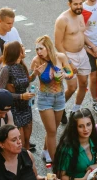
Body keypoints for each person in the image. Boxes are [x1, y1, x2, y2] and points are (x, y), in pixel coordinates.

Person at [31, 35, 74, 165]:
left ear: (48, 47)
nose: (38, 52)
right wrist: (35, 74)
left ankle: (46, 150)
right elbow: (29, 79)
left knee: (53, 128)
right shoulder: (36, 60)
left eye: (41, 48)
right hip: (45, 98)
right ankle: (55, 162)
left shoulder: (60, 57)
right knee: (52, 131)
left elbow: (71, 73)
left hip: (59, 97)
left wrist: (65, 75)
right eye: (37, 49)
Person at [55, 0, 95, 112]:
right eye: (75, 4)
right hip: (68, 56)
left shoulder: (81, 15)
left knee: (83, 83)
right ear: (69, 4)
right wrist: (69, 63)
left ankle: (75, 109)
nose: (79, 6)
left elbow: (81, 34)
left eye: (80, 4)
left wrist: (91, 48)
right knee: (72, 87)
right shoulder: (62, 20)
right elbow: (58, 44)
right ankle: (59, 110)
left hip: (82, 55)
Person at [0, 40, 37, 150]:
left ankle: (27, 165)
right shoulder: (6, 69)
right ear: (17, 52)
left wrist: (35, 74)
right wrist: (20, 96)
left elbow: (26, 81)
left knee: (27, 142)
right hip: (14, 110)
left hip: (26, 108)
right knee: (21, 143)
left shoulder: (21, 65)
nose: (24, 48)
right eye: (21, 47)